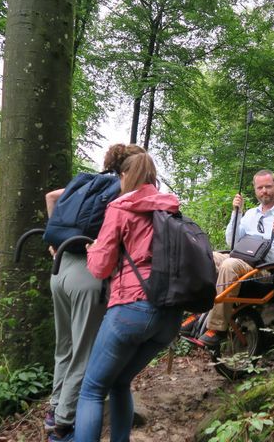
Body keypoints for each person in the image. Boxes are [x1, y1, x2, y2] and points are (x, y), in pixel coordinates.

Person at [73, 152, 183, 442]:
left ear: (125, 177)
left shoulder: (121, 207)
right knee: (120, 382)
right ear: (152, 177)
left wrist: (92, 249)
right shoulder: (170, 209)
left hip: (132, 310)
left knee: (92, 389)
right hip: (170, 317)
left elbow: (100, 267)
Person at [45, 143, 143, 442]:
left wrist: (56, 241)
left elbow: (51, 196)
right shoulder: (121, 194)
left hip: (60, 269)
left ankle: (54, 408)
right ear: (131, 168)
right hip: (89, 276)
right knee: (85, 352)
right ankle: (63, 423)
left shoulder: (86, 183)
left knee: (65, 347)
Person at [196, 170, 274, 347]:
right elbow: (231, 241)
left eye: (268, 186)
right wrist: (236, 213)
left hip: (267, 270)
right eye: (260, 187)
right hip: (243, 259)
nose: (264, 191)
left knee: (229, 265)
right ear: (255, 190)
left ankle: (217, 329)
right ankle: (197, 310)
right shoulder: (251, 214)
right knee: (206, 256)